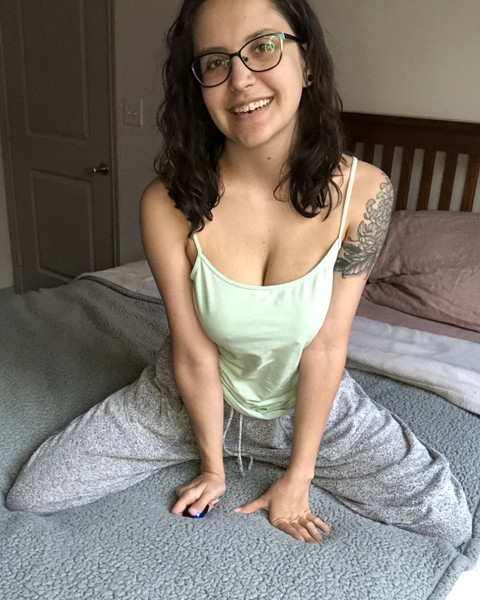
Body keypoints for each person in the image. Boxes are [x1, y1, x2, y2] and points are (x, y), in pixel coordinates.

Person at [6, 0, 471, 547]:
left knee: (448, 519)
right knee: (34, 492)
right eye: (215, 62)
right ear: (198, 85)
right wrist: (213, 466)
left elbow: (325, 346)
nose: (241, 80)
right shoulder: (167, 201)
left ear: (308, 63)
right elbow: (193, 350)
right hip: (192, 398)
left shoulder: (366, 193)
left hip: (310, 401)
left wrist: (298, 476)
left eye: (263, 47)